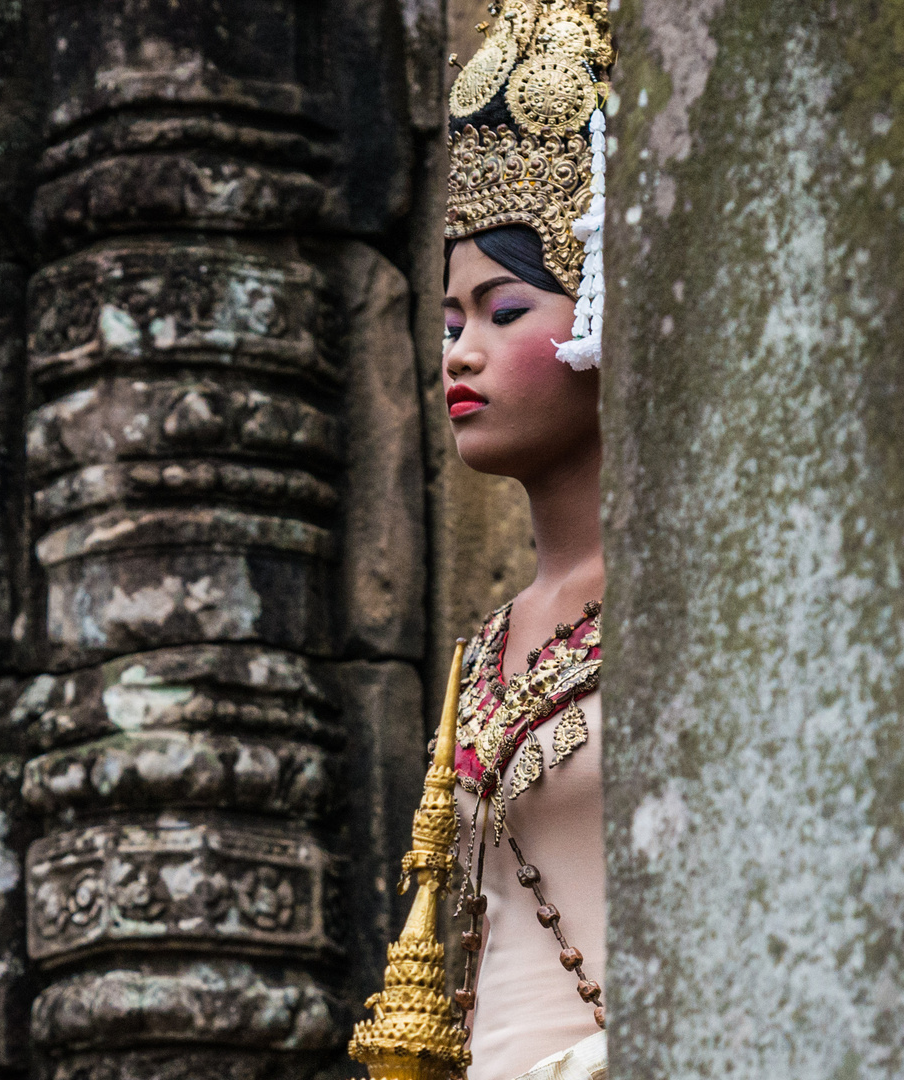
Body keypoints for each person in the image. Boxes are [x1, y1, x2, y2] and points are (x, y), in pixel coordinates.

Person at [439, 3, 614, 1078]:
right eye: (450, 320)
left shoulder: (693, 608)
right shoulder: (484, 647)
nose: (459, 353)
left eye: (503, 311)